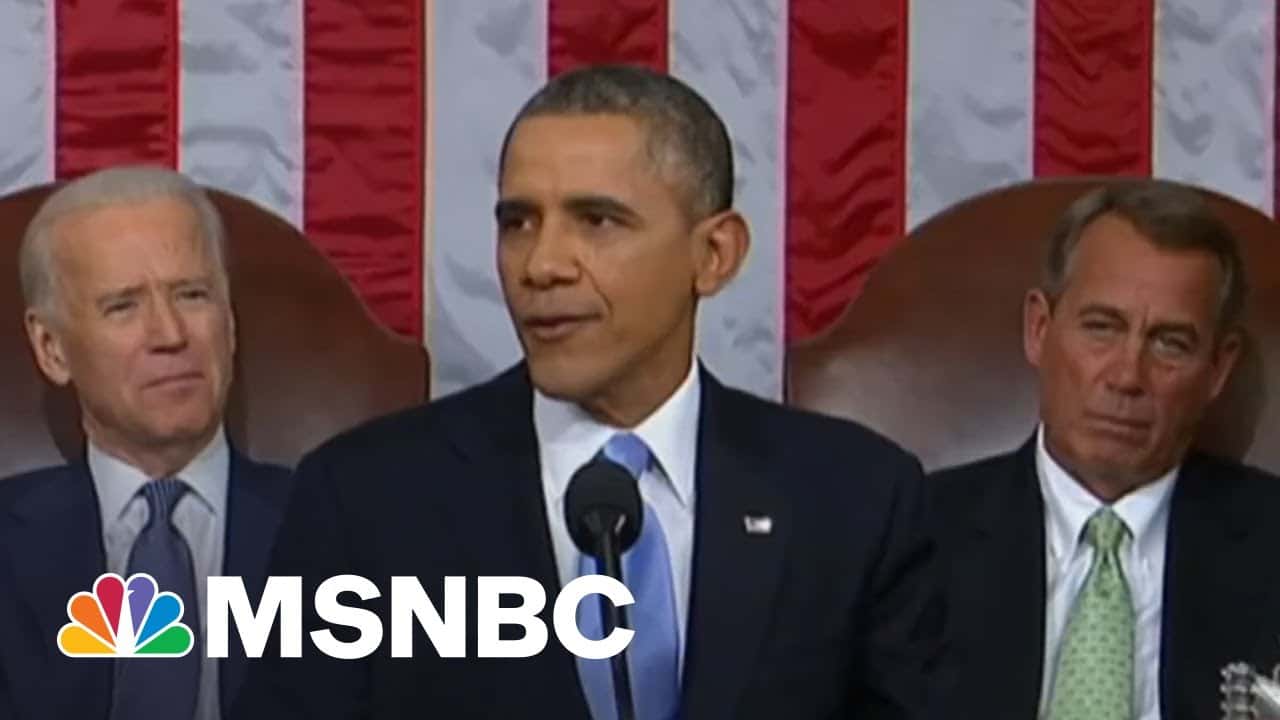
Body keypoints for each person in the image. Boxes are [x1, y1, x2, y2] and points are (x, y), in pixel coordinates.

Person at [233, 64, 941, 719]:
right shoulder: (365, 497)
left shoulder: (856, 498)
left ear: (713, 255)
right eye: (519, 223)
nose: (542, 265)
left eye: (597, 221)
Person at [930, 180, 1280, 720]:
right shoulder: (918, 537)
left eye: (1170, 342)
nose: (1127, 376)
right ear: (1039, 329)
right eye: (1101, 328)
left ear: (1217, 369)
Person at [0, 167, 292, 720]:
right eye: (123, 306)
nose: (171, 335)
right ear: (52, 348)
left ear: (229, 325)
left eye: (193, 295)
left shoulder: (339, 529)